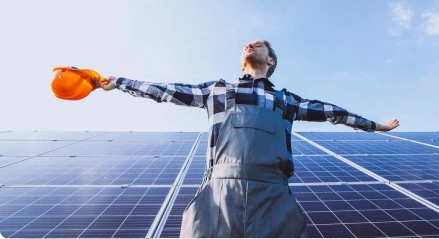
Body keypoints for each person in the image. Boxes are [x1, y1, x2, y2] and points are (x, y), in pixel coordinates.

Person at [96, 39, 399, 238]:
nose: (250, 45)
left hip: (273, 195)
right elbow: (166, 91)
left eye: (260, 45)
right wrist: (120, 83)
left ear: (271, 61)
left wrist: (375, 126)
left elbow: (334, 112)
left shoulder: (286, 100)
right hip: (217, 193)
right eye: (247, 45)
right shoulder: (215, 91)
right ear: (242, 63)